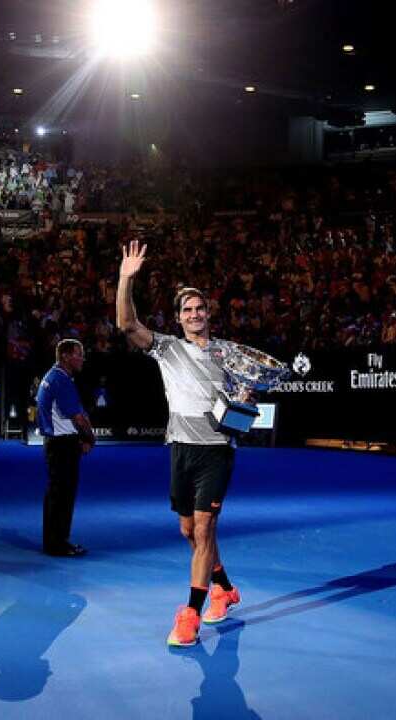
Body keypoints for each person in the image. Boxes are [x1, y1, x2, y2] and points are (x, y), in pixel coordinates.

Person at [116, 239, 241, 647]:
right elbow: (126, 325)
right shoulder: (168, 349)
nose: (194, 314)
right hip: (181, 449)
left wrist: (244, 402)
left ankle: (190, 614)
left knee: (204, 529)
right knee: (189, 530)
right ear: (179, 318)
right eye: (187, 310)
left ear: (209, 314)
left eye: (199, 308)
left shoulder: (228, 355)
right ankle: (222, 586)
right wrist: (125, 280)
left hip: (216, 451)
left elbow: (244, 397)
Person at [35, 339, 95, 557]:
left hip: (55, 443)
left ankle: (54, 541)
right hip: (62, 445)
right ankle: (58, 543)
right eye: (79, 354)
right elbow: (78, 417)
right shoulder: (61, 380)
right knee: (63, 495)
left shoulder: (53, 377)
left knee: (56, 494)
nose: (82, 358)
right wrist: (90, 438)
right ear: (66, 356)